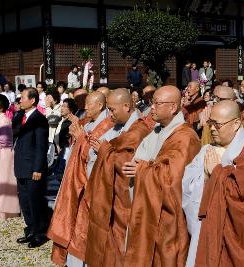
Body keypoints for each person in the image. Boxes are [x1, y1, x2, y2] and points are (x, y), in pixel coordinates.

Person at [119, 85, 201, 266]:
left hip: (167, 217)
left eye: (156, 103)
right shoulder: (157, 130)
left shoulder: (185, 137)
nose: (152, 108)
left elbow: (172, 178)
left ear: (173, 107)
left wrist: (141, 170)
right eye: (151, 103)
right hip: (146, 208)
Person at [182, 100, 244, 266]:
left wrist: (216, 173)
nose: (212, 129)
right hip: (203, 231)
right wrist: (207, 179)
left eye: (217, 124)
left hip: (230, 240)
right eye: (210, 123)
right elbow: (186, 188)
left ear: (236, 124)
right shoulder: (206, 151)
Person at [82, 89, 152, 267]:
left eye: (112, 109)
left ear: (127, 106)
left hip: (127, 196)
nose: (110, 114)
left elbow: (128, 162)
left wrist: (105, 151)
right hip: (114, 194)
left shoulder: (139, 130)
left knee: (123, 241)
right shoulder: (119, 127)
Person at [47, 91, 115, 266]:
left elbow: (95, 155)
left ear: (100, 106)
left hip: (89, 184)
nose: (85, 107)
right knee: (72, 221)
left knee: (83, 227)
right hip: (75, 178)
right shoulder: (88, 122)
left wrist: (81, 138)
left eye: (90, 104)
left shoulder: (106, 125)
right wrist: (76, 135)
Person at [14, 88, 49, 248]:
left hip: (33, 168)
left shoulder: (39, 119)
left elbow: (41, 147)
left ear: (32, 100)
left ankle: (40, 233)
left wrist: (37, 169)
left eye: (22, 98)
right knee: (25, 202)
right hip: (21, 165)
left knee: (35, 201)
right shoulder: (21, 116)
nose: (20, 100)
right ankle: (30, 229)